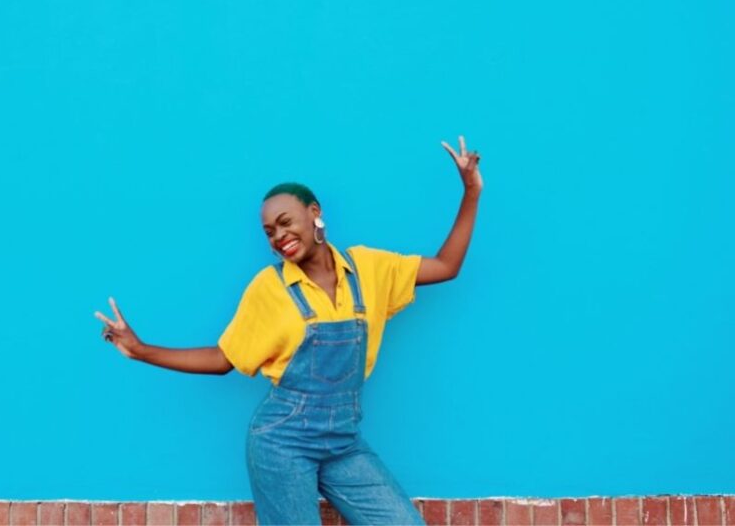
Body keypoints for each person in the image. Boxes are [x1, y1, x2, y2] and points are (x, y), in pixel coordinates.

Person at [94, 135, 482, 525]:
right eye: (269, 232)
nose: (279, 237)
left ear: (314, 213)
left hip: (344, 441)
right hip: (283, 442)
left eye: (284, 223)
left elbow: (446, 266)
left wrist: (470, 191)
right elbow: (221, 359)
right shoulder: (270, 288)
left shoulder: (370, 269)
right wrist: (141, 349)